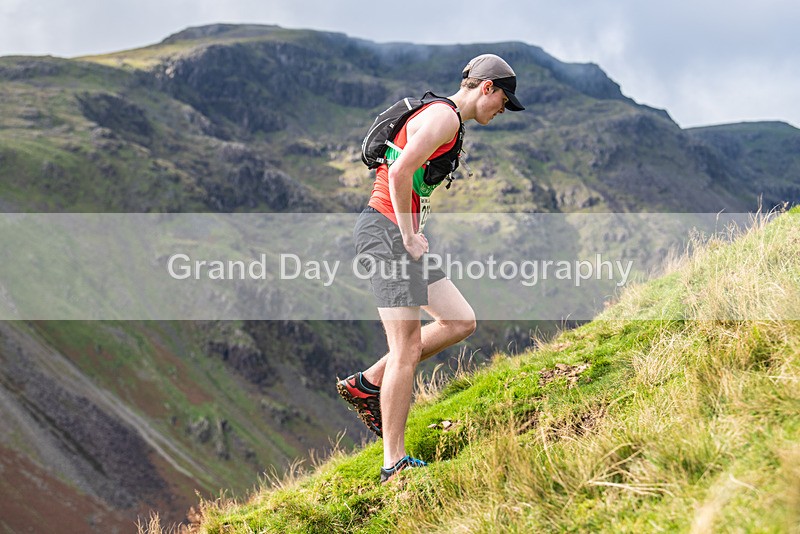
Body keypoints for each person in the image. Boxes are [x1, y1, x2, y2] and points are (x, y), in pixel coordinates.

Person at [337, 54, 525, 484]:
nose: (502, 110)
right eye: (503, 100)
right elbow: (401, 171)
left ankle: (367, 384)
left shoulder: (441, 115)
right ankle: (393, 463)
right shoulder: (446, 118)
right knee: (405, 349)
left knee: (459, 320)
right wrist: (407, 235)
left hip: (390, 231)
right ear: (486, 88)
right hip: (387, 232)